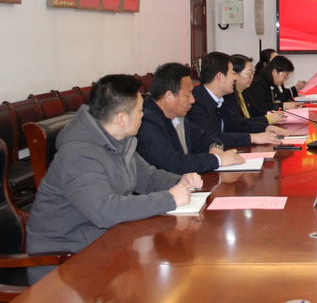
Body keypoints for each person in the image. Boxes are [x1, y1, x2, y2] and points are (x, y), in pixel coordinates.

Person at [25, 74, 202, 283]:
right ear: (121, 118)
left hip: (105, 243)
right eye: (140, 110)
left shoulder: (120, 140)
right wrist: (169, 199)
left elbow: (148, 177)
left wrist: (180, 181)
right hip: (65, 262)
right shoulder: (78, 155)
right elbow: (105, 210)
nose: (143, 115)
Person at [137, 62, 245, 173]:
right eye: (188, 95)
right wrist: (218, 160)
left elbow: (207, 137)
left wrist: (215, 147)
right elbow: (175, 164)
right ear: (168, 96)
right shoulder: (145, 124)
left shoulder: (178, 117)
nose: (192, 100)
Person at [187, 51, 281, 147]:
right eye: (233, 73)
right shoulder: (196, 102)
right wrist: (253, 138)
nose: (235, 78)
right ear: (219, 77)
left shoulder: (222, 99)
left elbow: (237, 124)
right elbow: (210, 137)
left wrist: (267, 128)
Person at [221, 53, 288, 133]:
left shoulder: (245, 92)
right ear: (235, 74)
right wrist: (269, 118)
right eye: (249, 74)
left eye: (252, 73)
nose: (252, 77)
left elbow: (256, 111)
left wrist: (272, 114)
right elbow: (239, 124)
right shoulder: (227, 96)